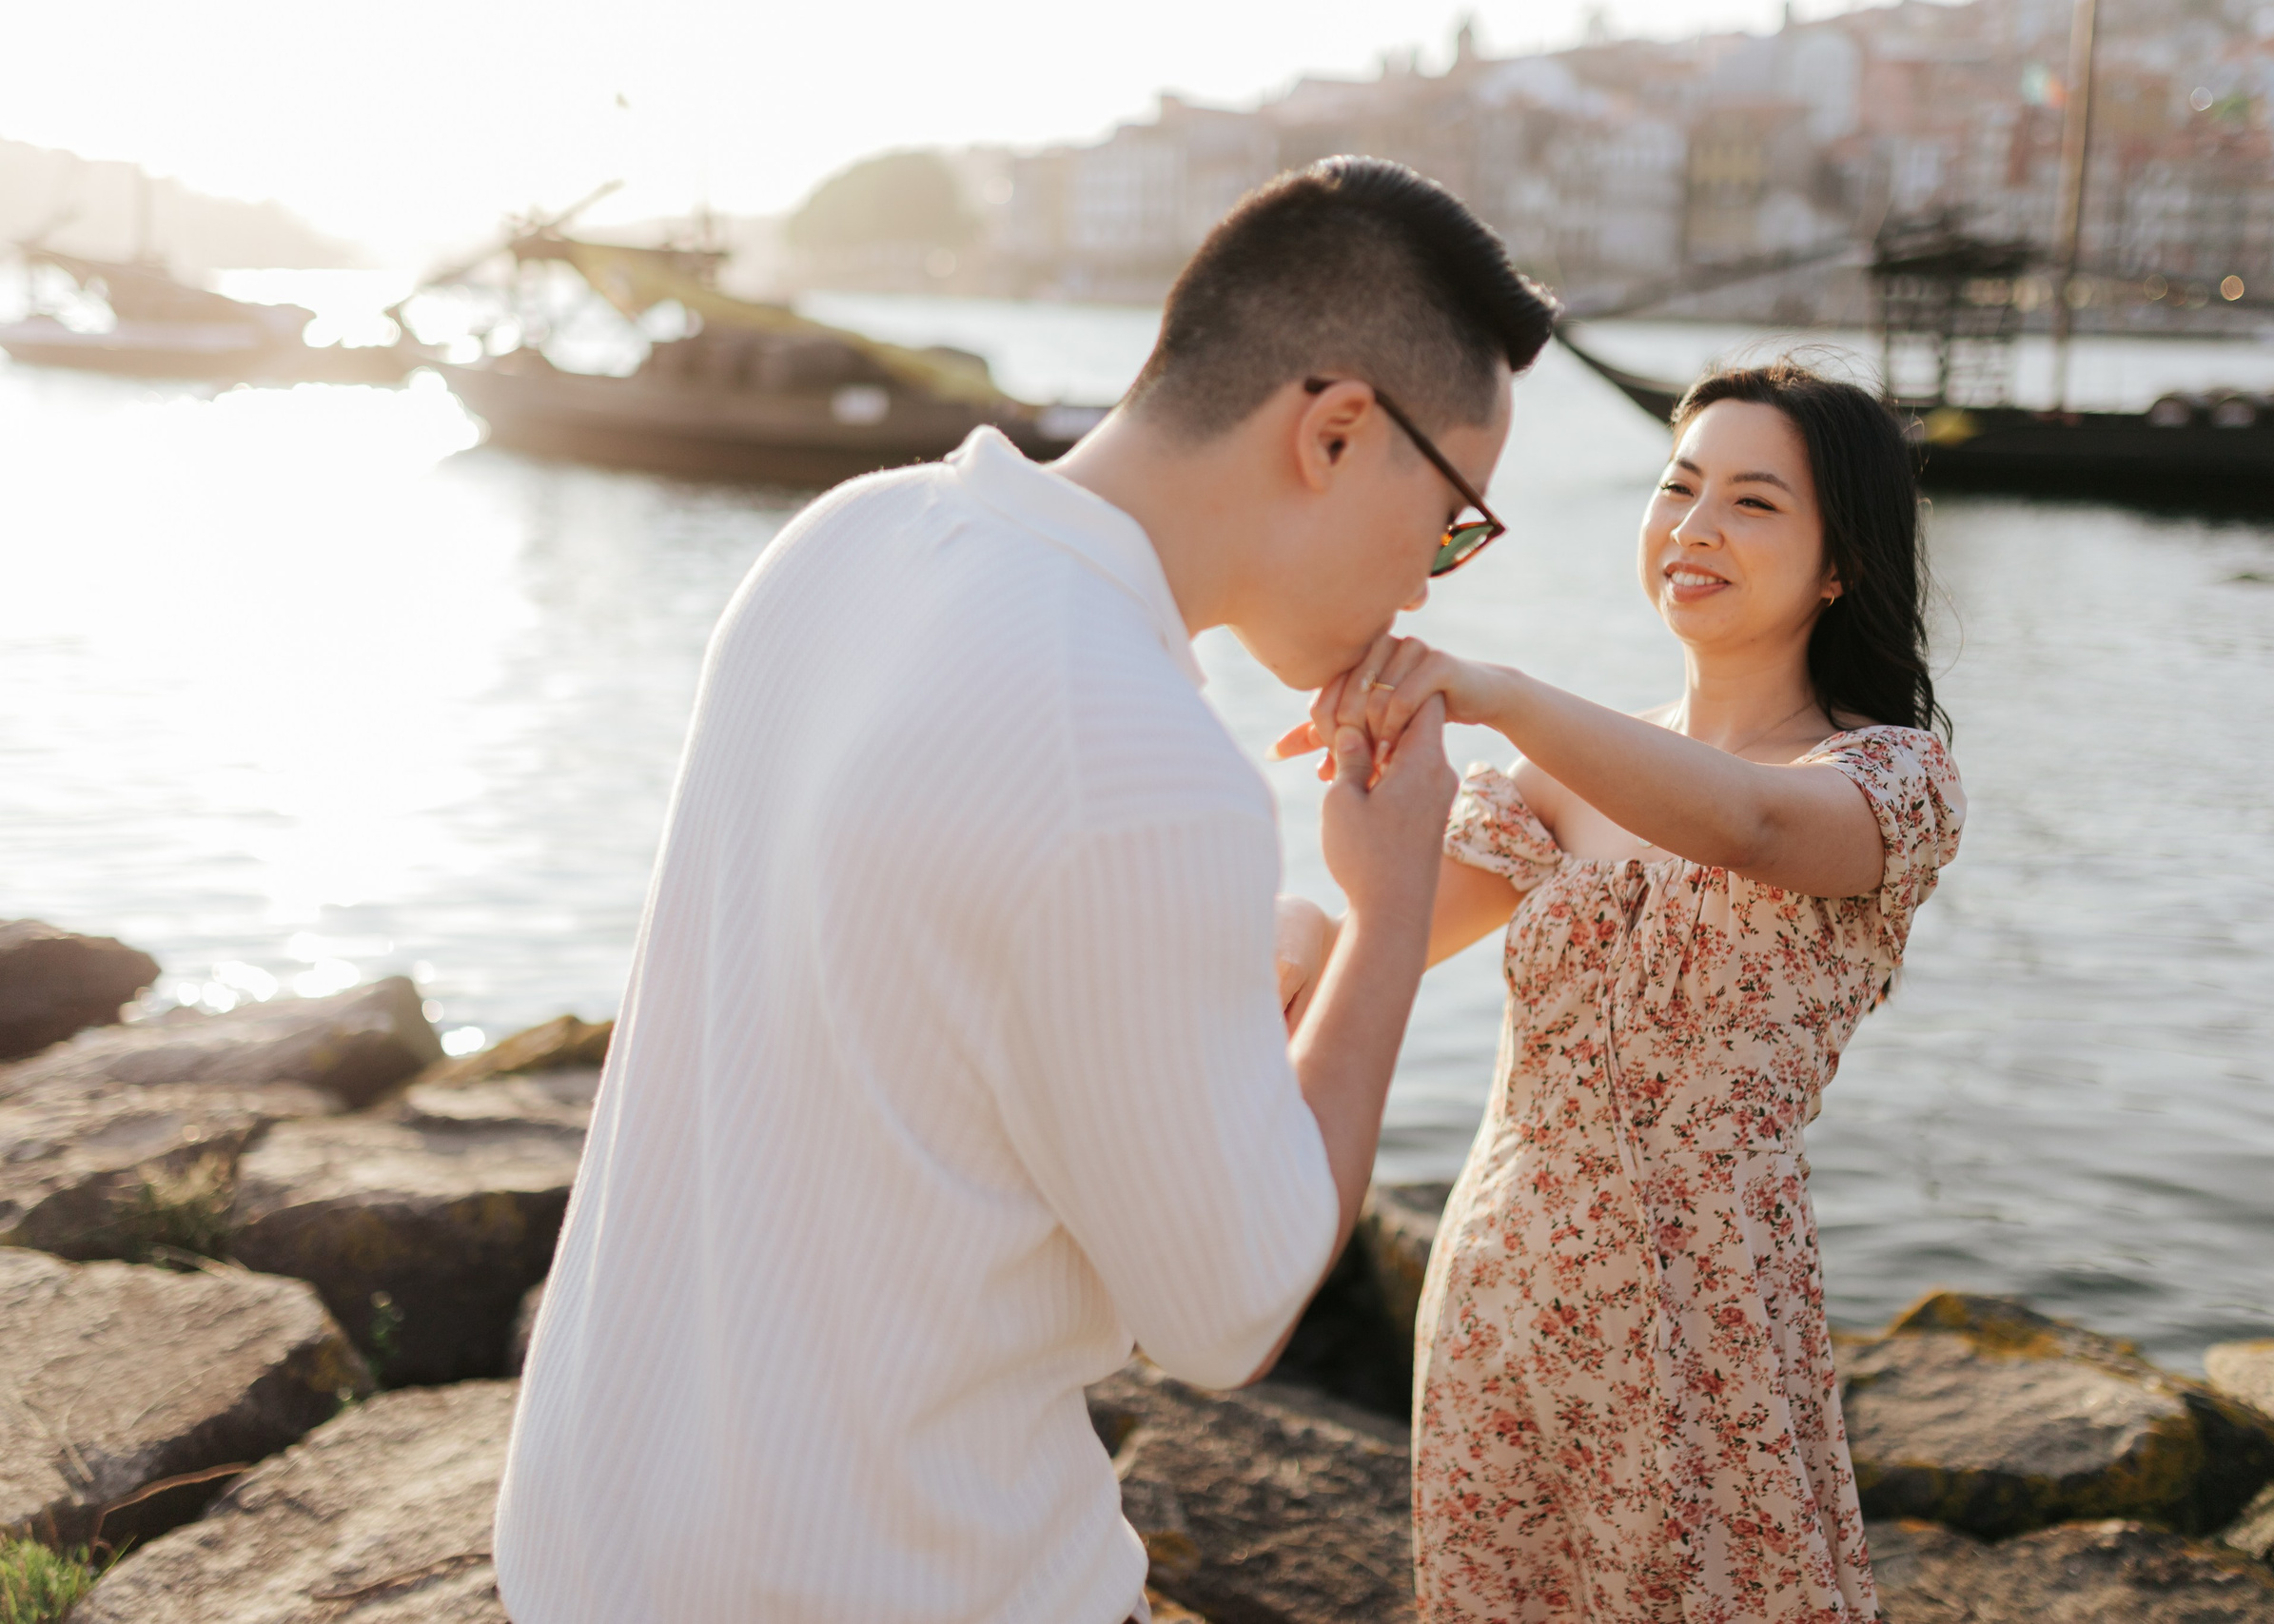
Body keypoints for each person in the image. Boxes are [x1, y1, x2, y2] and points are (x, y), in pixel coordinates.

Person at [492, 157, 1558, 1624]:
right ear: (1335, 431)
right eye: (1451, 520)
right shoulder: (1144, 764)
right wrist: (1385, 918)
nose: (1430, 587)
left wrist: (1210, 964)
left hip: (591, 1549)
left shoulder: (847, 537)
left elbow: (900, 972)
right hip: (894, 1585)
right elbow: (1229, 1313)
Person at [1274, 357, 1966, 1621]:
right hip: (1498, 1290)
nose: (1694, 527)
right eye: (1679, 486)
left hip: (1702, 1309)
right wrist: (1288, 913)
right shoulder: (1551, 787)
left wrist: (1499, 694)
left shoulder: (1889, 780)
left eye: (1754, 502)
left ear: (1840, 563)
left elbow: (1751, 824)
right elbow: (1374, 939)